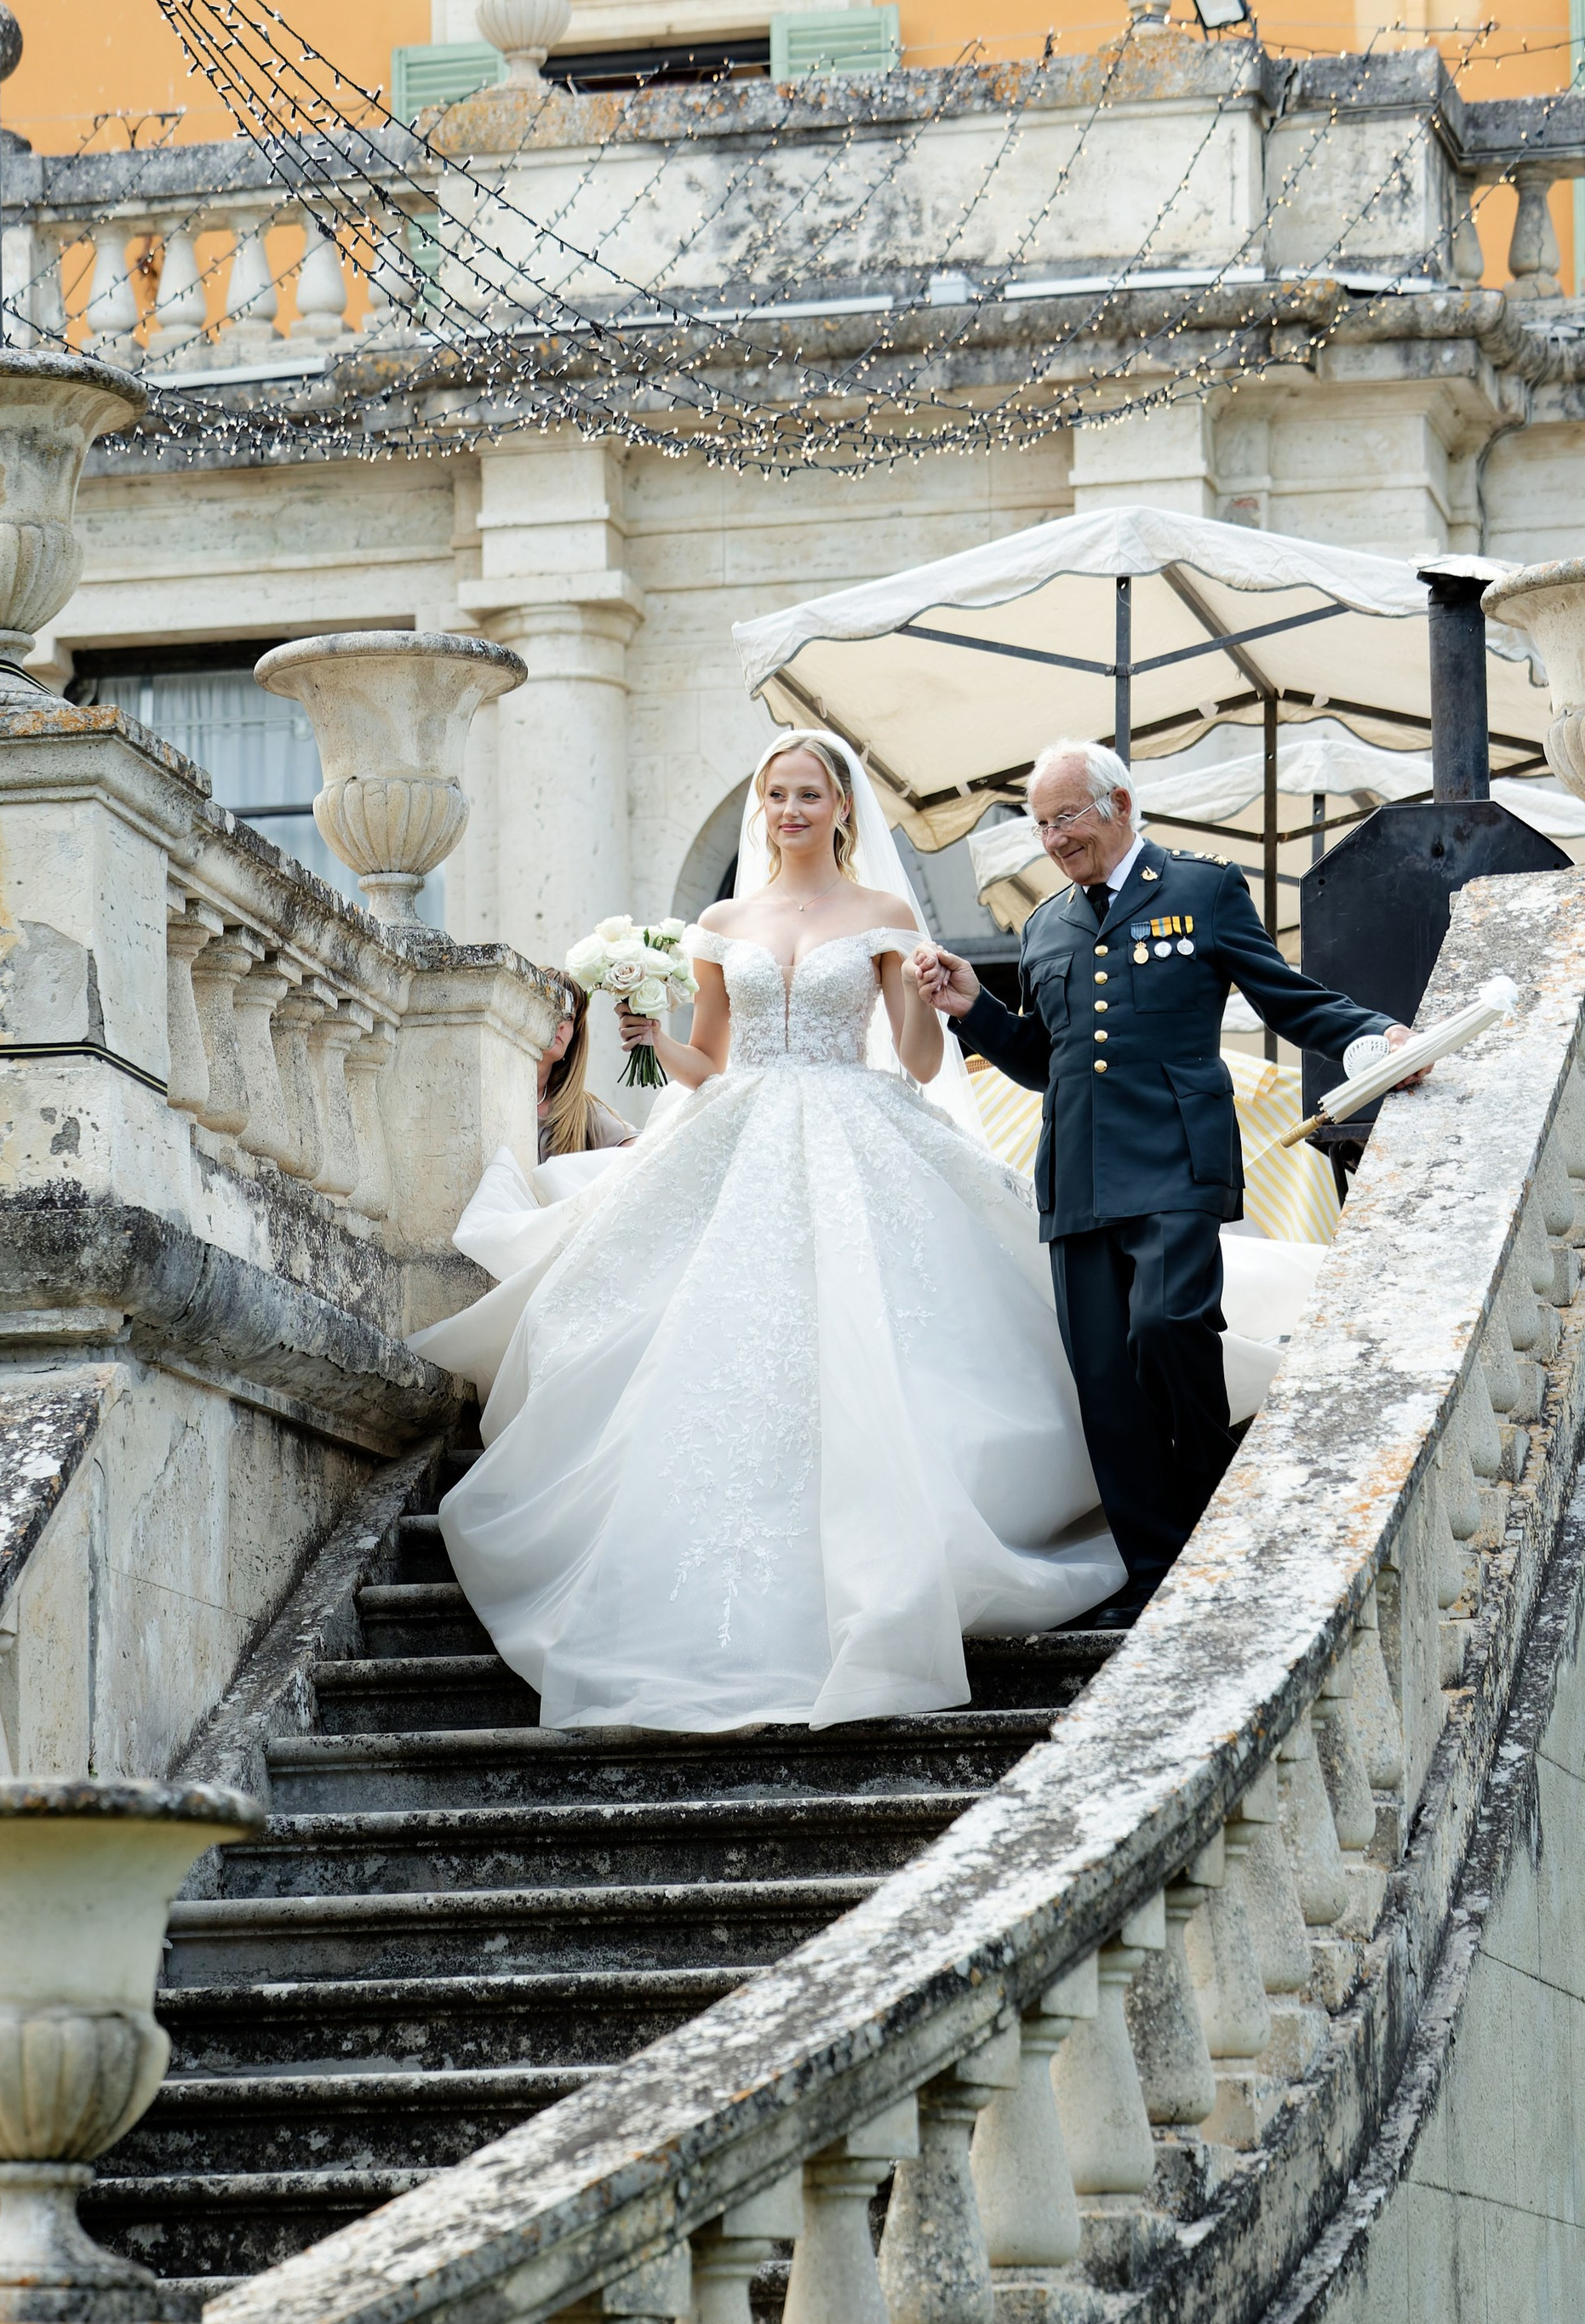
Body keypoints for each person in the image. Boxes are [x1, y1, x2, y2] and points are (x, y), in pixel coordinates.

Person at [407, 728, 1129, 1732]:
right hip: (738, 1129)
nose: (790, 809)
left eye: (808, 793)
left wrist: (927, 1000)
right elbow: (708, 1062)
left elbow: (917, 1064)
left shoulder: (878, 912)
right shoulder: (721, 919)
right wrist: (657, 1042)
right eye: (776, 794)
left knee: (868, 1339)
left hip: (854, 1121)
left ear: (841, 806)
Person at [916, 741, 1417, 1626]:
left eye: (1065, 816)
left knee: (1169, 1324)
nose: (1052, 838)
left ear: (1115, 804)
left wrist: (1373, 1038)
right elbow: (1044, 1061)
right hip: (1075, 1176)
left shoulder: (1202, 890)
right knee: (1105, 1384)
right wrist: (977, 1009)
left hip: (1177, 1161)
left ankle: (1216, 1511)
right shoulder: (1043, 926)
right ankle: (1153, 1575)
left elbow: (1284, 996)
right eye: (1039, 824)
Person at [537, 975, 633, 1159]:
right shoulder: (494, 1089)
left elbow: (640, 1152)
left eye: (569, 1016)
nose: (562, 1024)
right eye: (552, 1007)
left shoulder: (583, 1110)